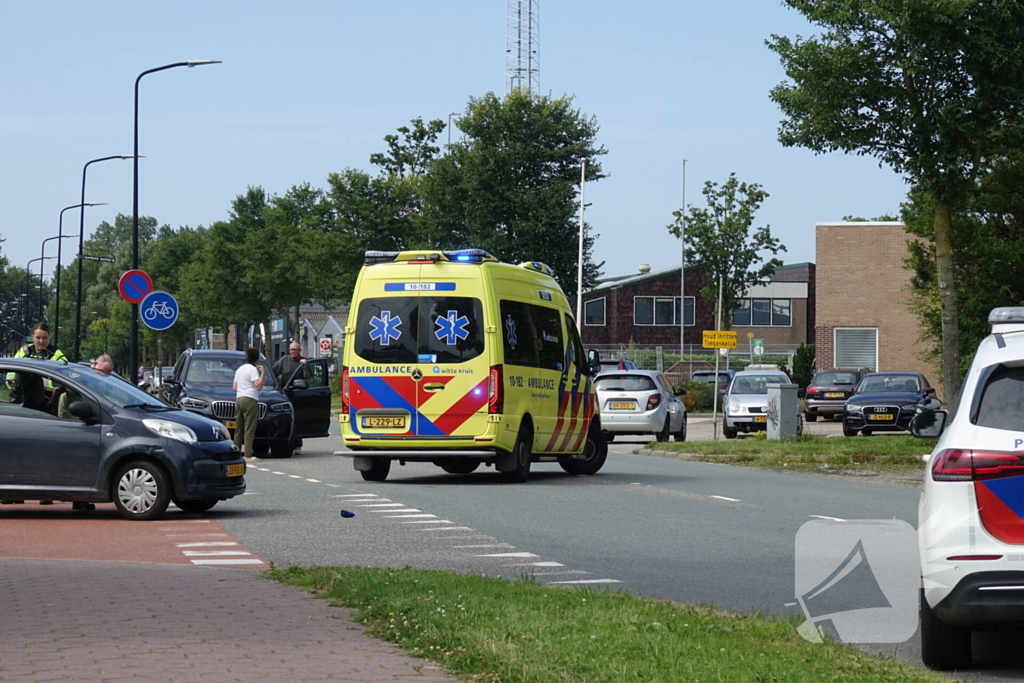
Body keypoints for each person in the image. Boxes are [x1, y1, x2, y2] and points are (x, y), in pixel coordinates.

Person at [4, 322, 70, 508]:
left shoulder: (56, 354)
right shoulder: (23, 351)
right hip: (22, 404)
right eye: (38, 337)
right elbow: (11, 369)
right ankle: (13, 491)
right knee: (17, 448)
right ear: (32, 337)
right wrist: (11, 380)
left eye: (44, 338)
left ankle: (45, 492)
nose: (41, 341)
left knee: (44, 449)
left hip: (46, 405)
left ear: (50, 338)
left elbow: (62, 378)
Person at [273, 342, 311, 453]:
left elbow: (308, 377)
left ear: (300, 351)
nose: (293, 352)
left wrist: (305, 367)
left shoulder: (304, 361)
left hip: (299, 394)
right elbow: (274, 372)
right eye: (291, 349)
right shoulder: (284, 360)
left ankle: (298, 444)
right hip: (285, 393)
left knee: (298, 419)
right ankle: (284, 441)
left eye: (295, 350)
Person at [233, 348, 266, 462]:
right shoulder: (253, 370)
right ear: (257, 358)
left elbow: (234, 387)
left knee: (239, 428)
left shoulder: (239, 369)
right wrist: (263, 373)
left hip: (239, 399)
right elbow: (258, 386)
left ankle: (236, 452)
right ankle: (247, 454)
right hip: (250, 398)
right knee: (249, 428)